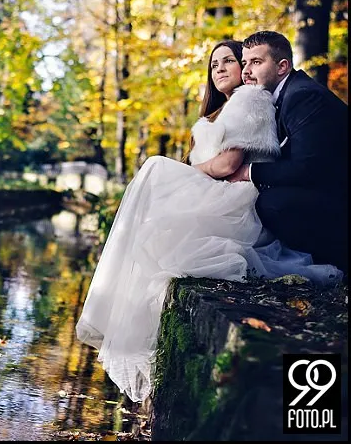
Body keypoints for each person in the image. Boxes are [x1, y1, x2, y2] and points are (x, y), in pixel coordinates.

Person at [74, 39, 343, 403]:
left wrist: (184, 170)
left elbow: (229, 166)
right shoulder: (218, 113)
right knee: (156, 223)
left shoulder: (252, 100)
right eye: (215, 63)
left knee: (157, 180)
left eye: (231, 61)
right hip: (221, 190)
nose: (222, 68)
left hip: (236, 195)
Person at [223, 31, 349, 271]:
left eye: (256, 62)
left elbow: (308, 168)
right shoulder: (279, 96)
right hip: (326, 190)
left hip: (339, 198)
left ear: (282, 67)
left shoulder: (303, 96)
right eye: (244, 63)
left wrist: (249, 172)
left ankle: (335, 263)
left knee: (271, 204)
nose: (246, 71)